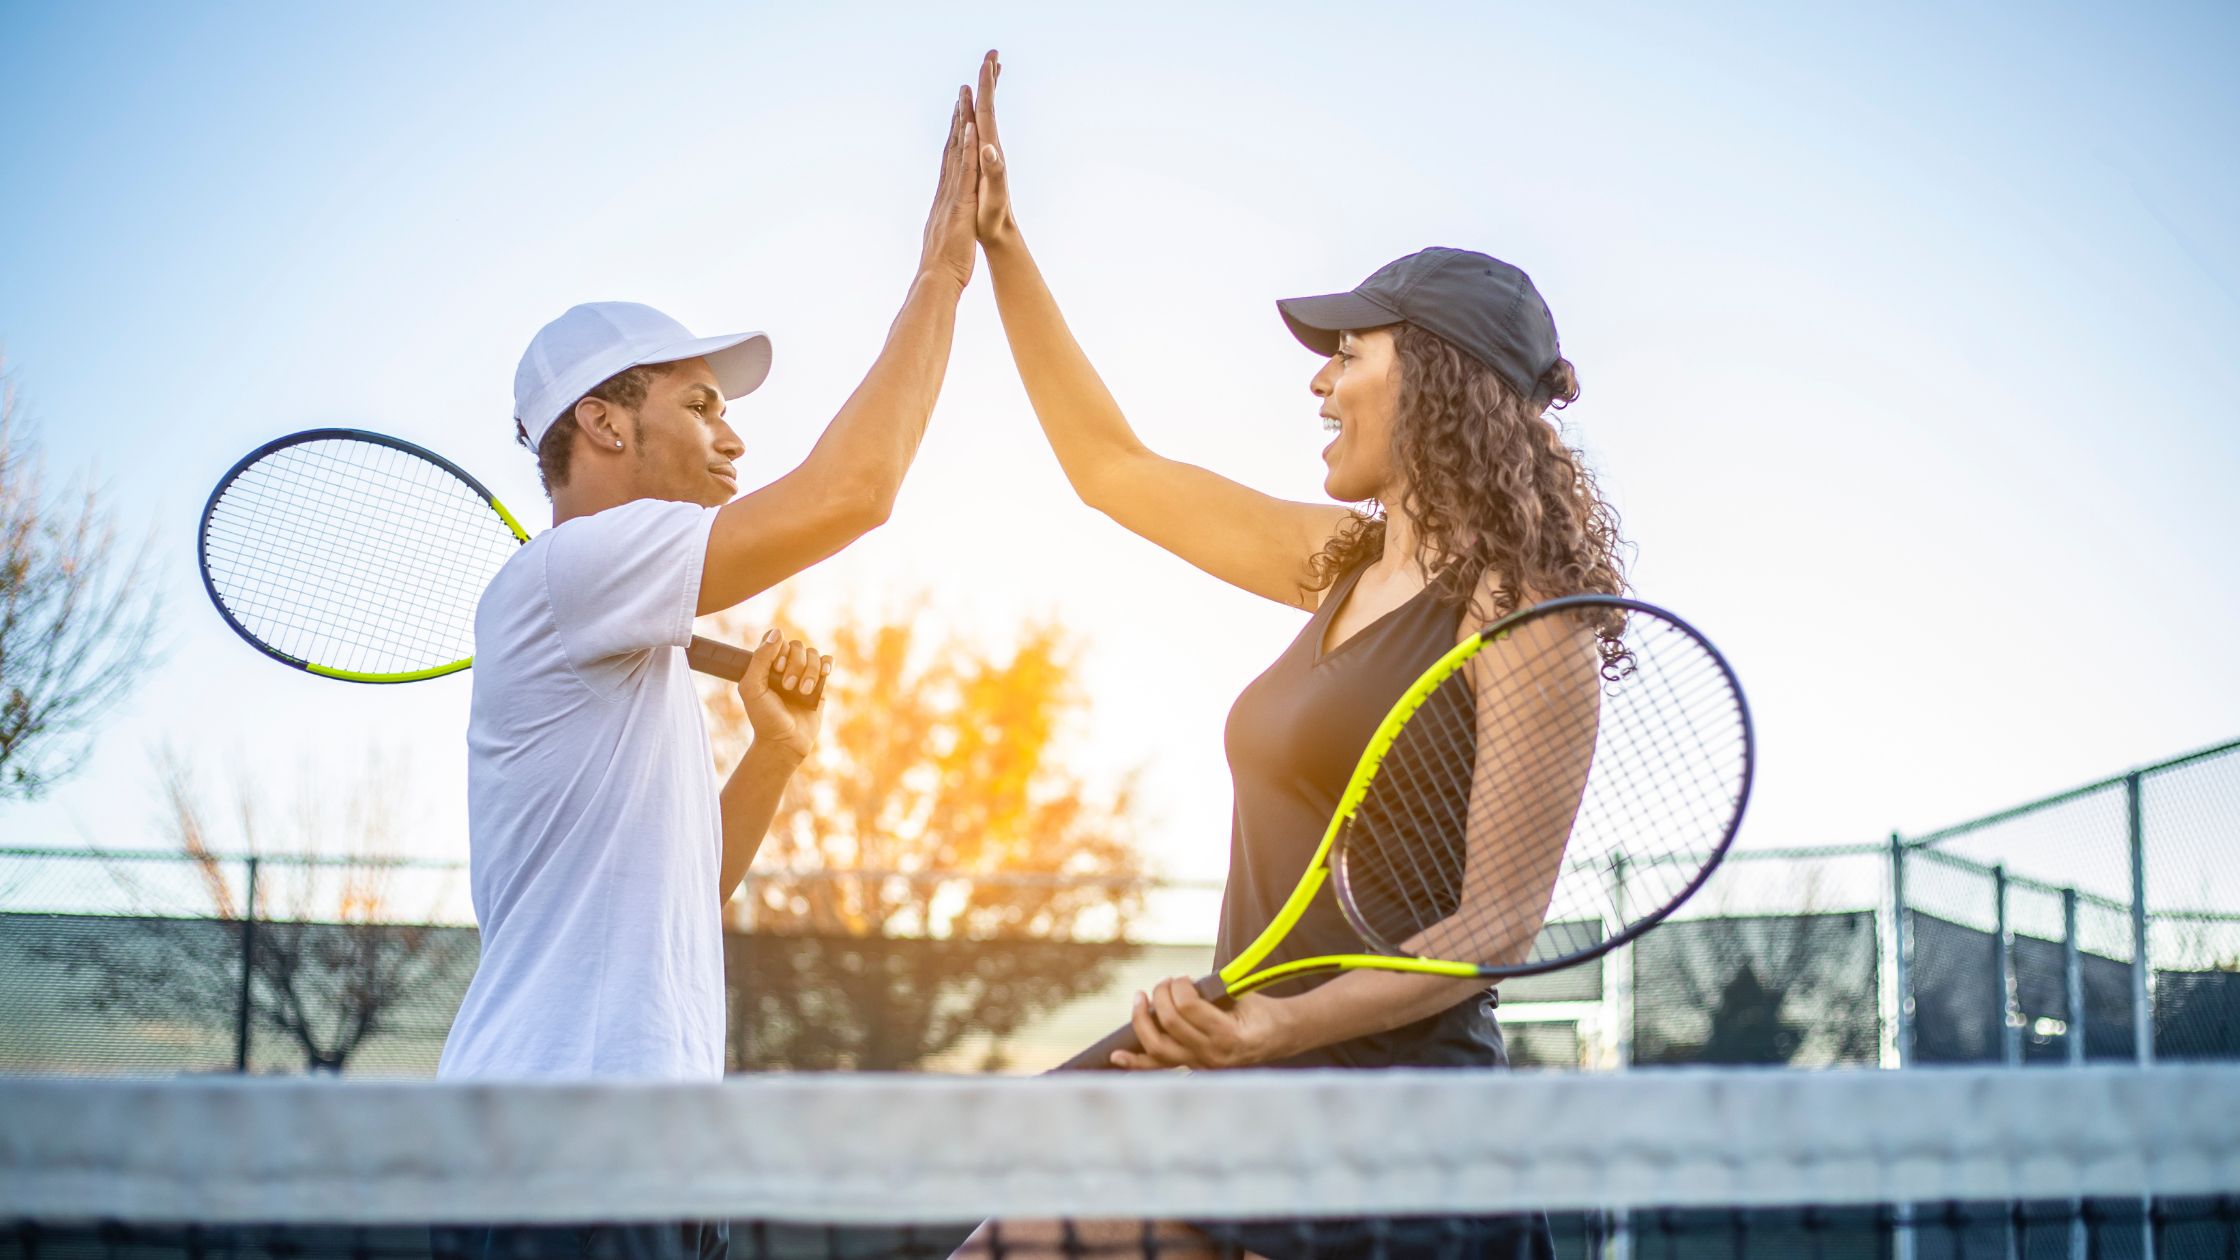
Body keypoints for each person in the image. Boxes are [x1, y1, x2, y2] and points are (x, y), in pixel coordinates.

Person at [966, 50, 1622, 1259]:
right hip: (1248, 1077)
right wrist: (1002, 244)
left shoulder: (1527, 614)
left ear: (1428, 377)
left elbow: (1490, 931)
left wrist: (1276, 1031)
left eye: (1347, 352)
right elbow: (1112, 469)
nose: (1316, 380)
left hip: (1392, 1131)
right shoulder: (1338, 564)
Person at [432, 87, 983, 1260]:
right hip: (562, 1149)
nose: (732, 436)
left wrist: (776, 751)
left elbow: (679, 895)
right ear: (605, 422)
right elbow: (855, 492)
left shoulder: (625, 638)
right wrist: (939, 275)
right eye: (700, 404)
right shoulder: (575, 571)